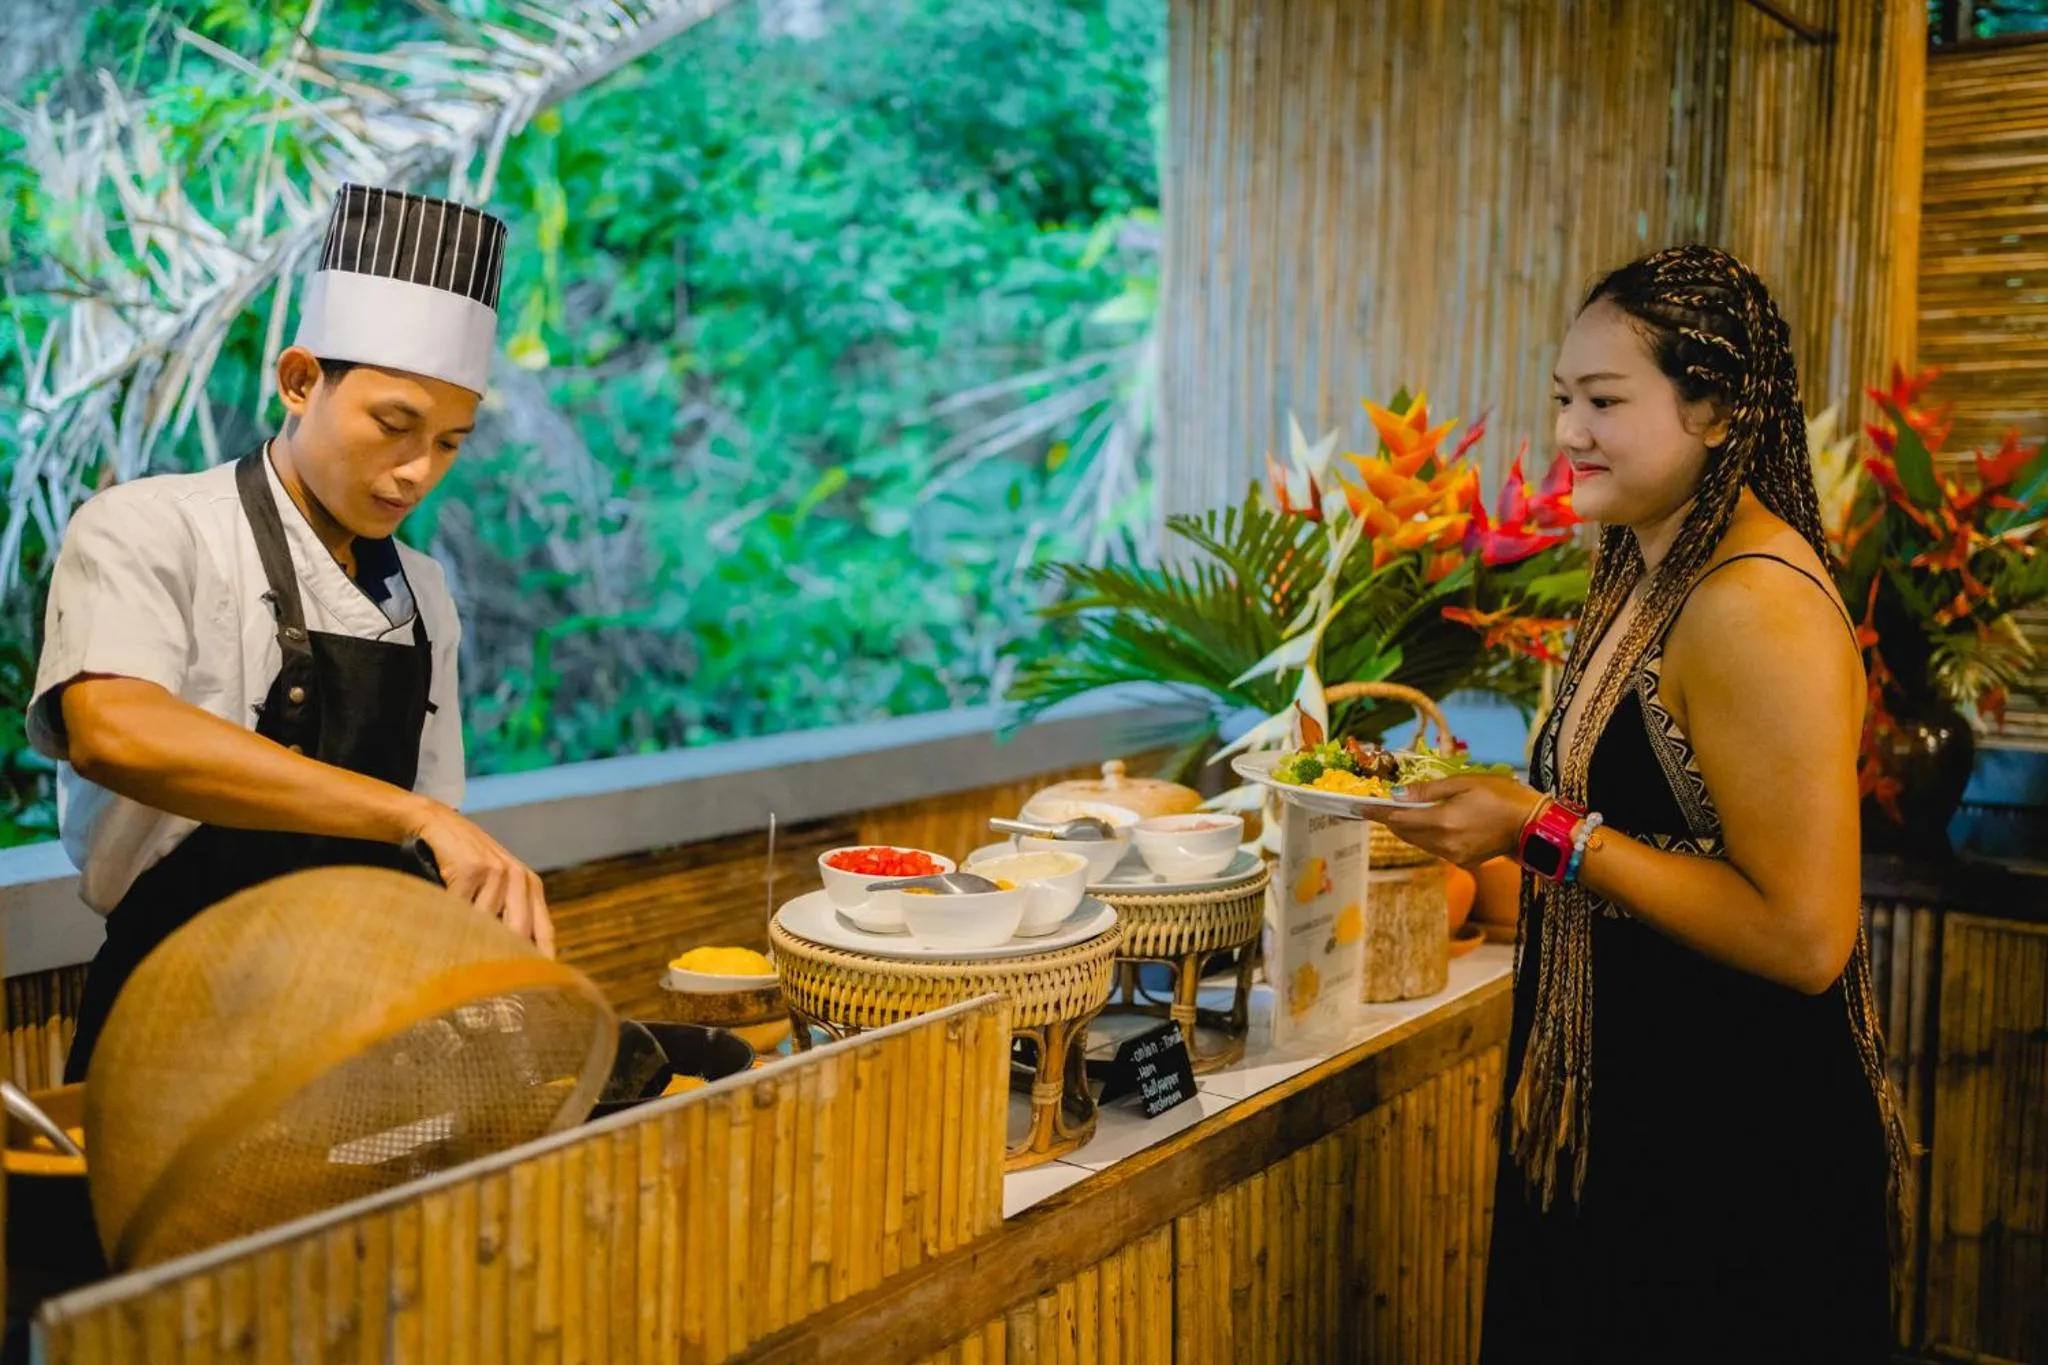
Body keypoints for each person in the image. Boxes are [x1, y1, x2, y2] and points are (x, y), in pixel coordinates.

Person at [1367, 245, 1906, 1362]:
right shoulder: (1646, 568)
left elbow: (1805, 937)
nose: (1566, 433)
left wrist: (1534, 827)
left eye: (1604, 401)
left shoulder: (1751, 601)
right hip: (1625, 1113)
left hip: (1726, 1146)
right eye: (1562, 397)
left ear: (1711, 409)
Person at [30, 184, 555, 1084]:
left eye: (451, 442)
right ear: (301, 379)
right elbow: (111, 729)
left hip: (353, 1038)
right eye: (394, 426)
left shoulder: (426, 596)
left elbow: (423, 847)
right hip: (176, 1028)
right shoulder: (151, 526)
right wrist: (409, 812)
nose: (417, 470)